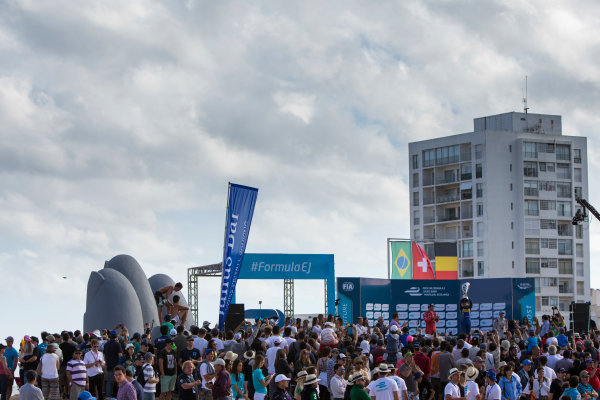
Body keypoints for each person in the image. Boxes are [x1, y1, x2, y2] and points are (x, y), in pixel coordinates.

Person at [104, 331, 123, 398]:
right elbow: (120, 355)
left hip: (109, 365)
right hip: (116, 366)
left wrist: (106, 363)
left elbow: (104, 356)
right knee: (119, 381)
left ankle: (108, 396)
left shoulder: (106, 344)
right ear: (116, 336)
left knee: (109, 381)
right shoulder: (117, 344)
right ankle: (119, 396)